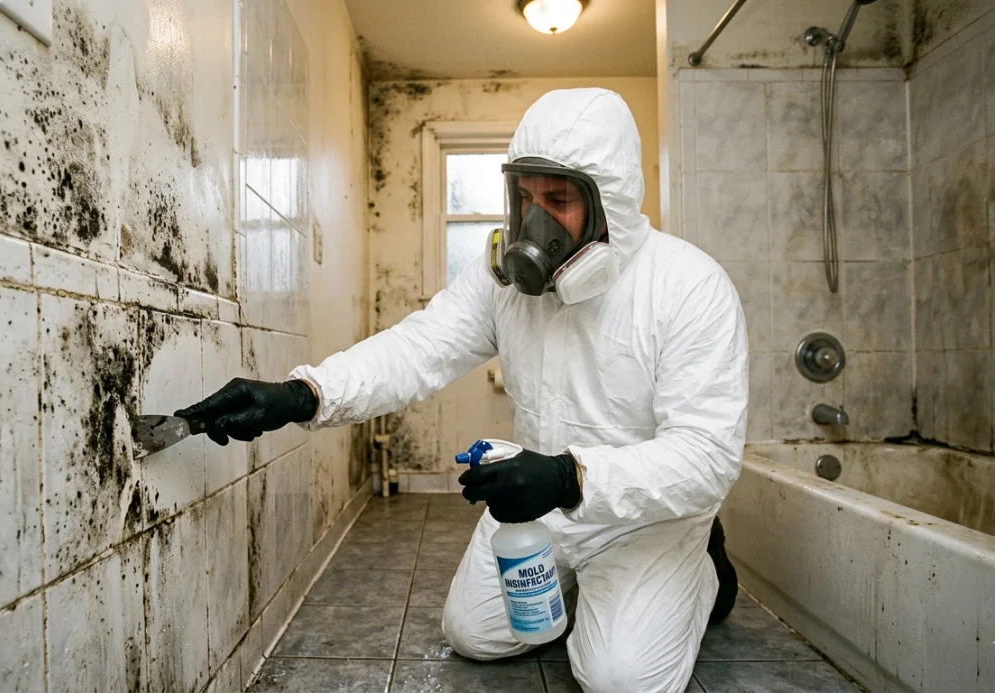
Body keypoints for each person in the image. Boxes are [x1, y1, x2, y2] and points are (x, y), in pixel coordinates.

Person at [176, 88, 748, 693]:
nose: (536, 220)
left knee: (619, 680)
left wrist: (571, 477)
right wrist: (303, 394)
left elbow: (708, 455)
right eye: (524, 196)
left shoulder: (689, 287)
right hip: (543, 503)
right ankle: (595, 591)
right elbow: (418, 347)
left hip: (648, 515)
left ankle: (702, 568)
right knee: (474, 634)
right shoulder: (501, 283)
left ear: (613, 204)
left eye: (558, 200)